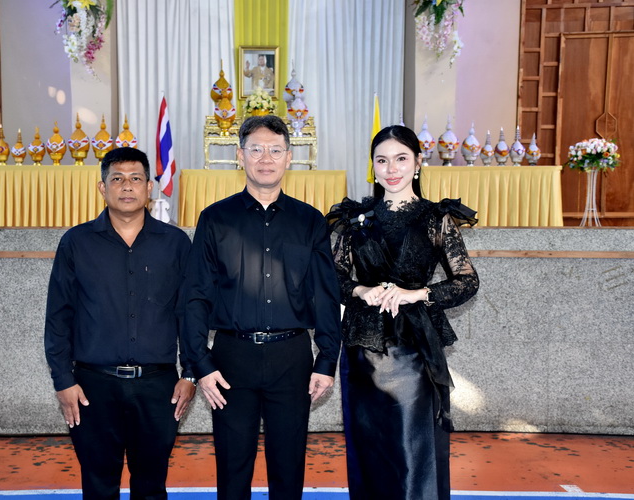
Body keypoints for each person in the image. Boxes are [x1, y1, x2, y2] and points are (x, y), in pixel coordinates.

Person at [182, 115, 341, 500]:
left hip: (292, 358)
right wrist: (200, 364)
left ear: (289, 157)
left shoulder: (310, 221)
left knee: (288, 467)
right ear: (240, 156)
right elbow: (195, 295)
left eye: (275, 150)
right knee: (232, 468)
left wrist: (326, 360)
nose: (265, 158)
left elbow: (326, 294)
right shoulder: (215, 219)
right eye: (256, 149)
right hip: (231, 359)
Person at [326, 125, 479, 499]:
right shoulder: (354, 218)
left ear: (418, 163)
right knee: (369, 448)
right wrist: (361, 289)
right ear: (373, 166)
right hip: (363, 348)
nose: (391, 169)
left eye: (400, 159)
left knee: (413, 450)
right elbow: (331, 278)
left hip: (414, 346)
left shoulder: (436, 218)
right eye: (382, 160)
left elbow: (467, 281)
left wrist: (418, 294)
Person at [44, 147, 195, 500]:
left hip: (158, 387)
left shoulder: (175, 243)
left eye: (136, 178)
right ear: (102, 187)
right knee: (98, 486)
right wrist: (63, 380)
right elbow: (58, 316)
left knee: (151, 487)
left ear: (149, 187)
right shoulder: (77, 242)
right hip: (92, 388)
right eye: (117, 179)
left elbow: (189, 313)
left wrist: (190, 374)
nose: (127, 186)